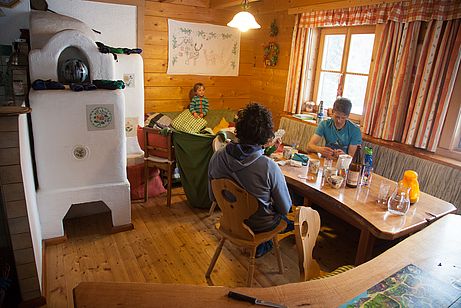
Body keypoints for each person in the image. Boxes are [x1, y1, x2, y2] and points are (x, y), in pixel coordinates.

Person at [208, 103, 292, 258]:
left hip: (229, 221)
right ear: (266, 136)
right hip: (259, 226)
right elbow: (285, 208)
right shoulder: (268, 166)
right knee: (286, 215)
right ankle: (264, 243)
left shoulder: (217, 156)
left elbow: (212, 197)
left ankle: (262, 244)